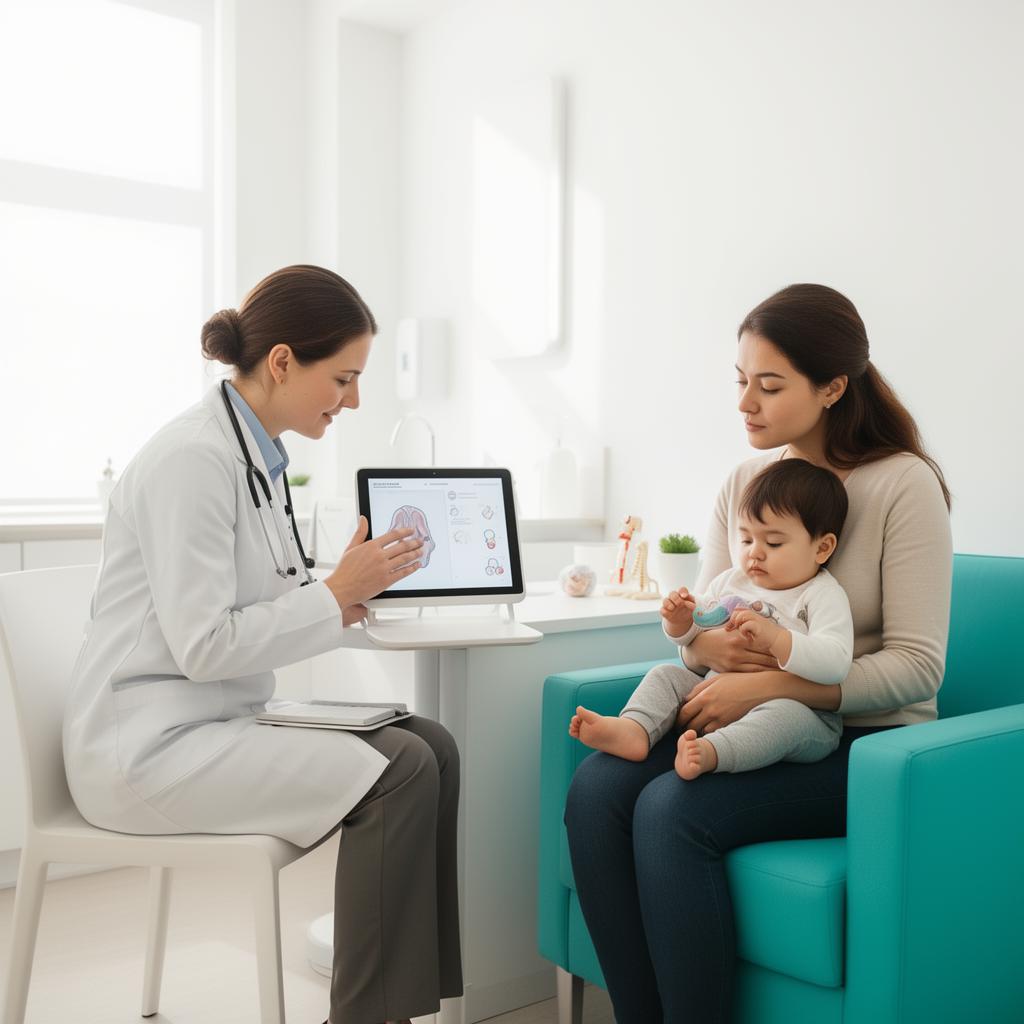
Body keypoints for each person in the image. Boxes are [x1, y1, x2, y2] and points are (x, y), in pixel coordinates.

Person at [62, 265, 463, 1024]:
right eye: (342, 378)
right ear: (283, 362)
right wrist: (334, 593)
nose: (352, 401)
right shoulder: (192, 459)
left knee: (431, 743)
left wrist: (345, 588)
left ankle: (401, 1007)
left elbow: (257, 599)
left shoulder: (256, 458)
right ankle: (369, 1017)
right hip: (145, 748)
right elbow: (206, 646)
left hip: (215, 720)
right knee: (401, 768)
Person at [564, 282, 952, 1024]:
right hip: (743, 710)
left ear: (834, 387)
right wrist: (700, 641)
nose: (746, 402)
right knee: (596, 791)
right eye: (741, 381)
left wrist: (774, 686)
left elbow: (917, 666)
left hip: (863, 745)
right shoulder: (744, 483)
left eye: (769, 386)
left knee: (672, 811)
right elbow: (714, 618)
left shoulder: (903, 485)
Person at [570, 458, 853, 780]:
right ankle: (634, 728)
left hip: (805, 713)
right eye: (746, 539)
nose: (754, 553)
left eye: (773, 543)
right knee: (665, 674)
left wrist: (776, 638)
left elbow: (836, 663)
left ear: (822, 547)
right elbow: (698, 628)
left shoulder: (820, 594)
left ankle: (714, 752)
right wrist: (679, 621)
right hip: (713, 692)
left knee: (783, 716)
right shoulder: (730, 581)